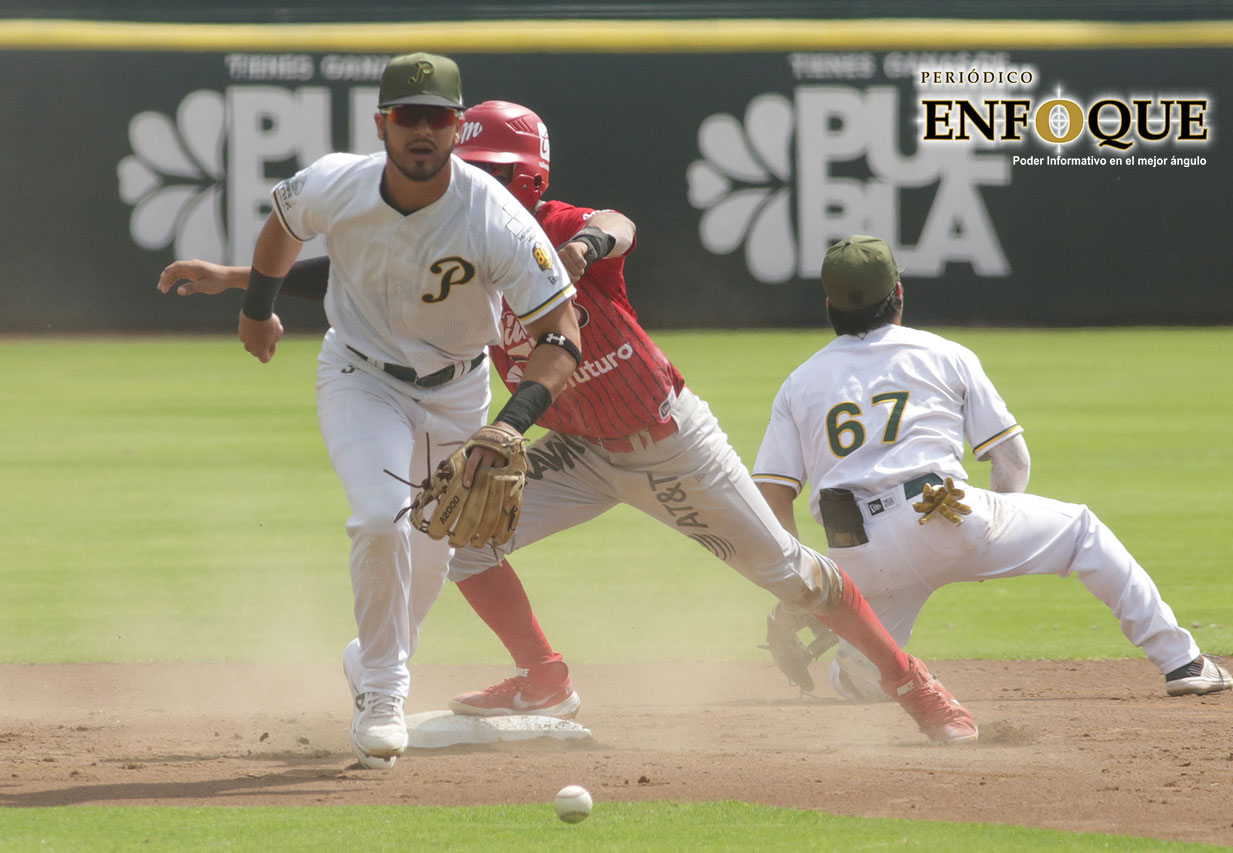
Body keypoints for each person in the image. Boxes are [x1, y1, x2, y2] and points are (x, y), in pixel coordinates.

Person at [161, 101, 979, 746]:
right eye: (474, 166)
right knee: (454, 535)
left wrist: (586, 245)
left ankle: (912, 682)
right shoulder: (453, 236)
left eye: (498, 169)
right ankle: (543, 677)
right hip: (578, 450)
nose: (479, 180)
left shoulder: (546, 228)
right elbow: (356, 278)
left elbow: (620, 222)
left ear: (533, 178)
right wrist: (239, 279)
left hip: (668, 444)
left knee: (793, 576)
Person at [162, 55, 583, 769]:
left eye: (437, 118)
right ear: (382, 123)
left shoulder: (495, 217)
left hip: (459, 393)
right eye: (408, 116)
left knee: (430, 554)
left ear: (456, 127)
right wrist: (254, 308)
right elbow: (283, 225)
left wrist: (510, 424)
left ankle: (368, 660)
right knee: (382, 519)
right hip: (360, 377)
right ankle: (384, 693)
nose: (422, 130)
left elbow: (562, 336)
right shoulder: (336, 182)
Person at [751, 234, 1233, 705]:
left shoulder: (798, 384)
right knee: (1082, 531)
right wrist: (990, 532)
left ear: (829, 306)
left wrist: (805, 583)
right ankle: (1184, 664)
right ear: (898, 292)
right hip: (943, 513)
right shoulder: (943, 354)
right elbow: (1012, 459)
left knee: (856, 673)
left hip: (856, 549)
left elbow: (773, 495)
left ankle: (871, 668)